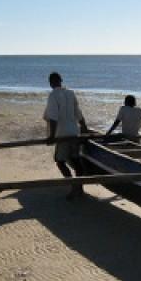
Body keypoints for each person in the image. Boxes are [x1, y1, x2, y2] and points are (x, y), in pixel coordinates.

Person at [43, 72, 89, 200]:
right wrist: (84, 127)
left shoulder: (53, 95)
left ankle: (73, 186)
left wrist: (52, 136)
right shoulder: (70, 92)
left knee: (60, 161)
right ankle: (80, 188)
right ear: (61, 80)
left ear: (51, 82)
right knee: (76, 161)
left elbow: (53, 117)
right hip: (74, 132)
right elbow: (78, 112)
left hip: (62, 134)